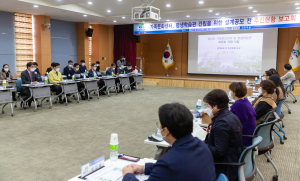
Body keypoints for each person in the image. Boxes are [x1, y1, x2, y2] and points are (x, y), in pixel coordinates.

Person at [122, 103, 217, 181]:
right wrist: (144, 168)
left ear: (166, 131)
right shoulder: (201, 145)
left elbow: (169, 167)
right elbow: (177, 168)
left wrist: (127, 175)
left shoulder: (169, 161)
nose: (159, 128)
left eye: (160, 125)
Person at [203, 89, 243, 181]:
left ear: (215, 106)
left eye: (208, 105)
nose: (207, 107)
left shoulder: (222, 123)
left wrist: (202, 145)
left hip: (225, 167)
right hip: (232, 158)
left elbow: (219, 152)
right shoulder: (229, 115)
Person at [229, 82, 256, 147]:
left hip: (243, 139)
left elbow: (229, 122)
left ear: (234, 93)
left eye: (230, 91)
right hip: (250, 137)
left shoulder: (236, 105)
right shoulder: (246, 101)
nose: (229, 92)